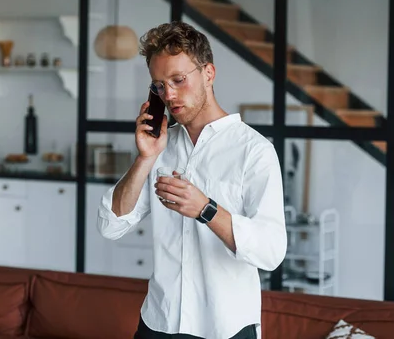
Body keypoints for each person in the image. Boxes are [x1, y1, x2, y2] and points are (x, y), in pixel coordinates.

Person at [97, 21, 287, 339]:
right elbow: (111, 225)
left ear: (208, 74)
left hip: (225, 328)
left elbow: (271, 251)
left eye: (178, 80)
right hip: (159, 321)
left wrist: (206, 209)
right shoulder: (160, 146)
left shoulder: (255, 151)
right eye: (159, 85)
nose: (168, 95)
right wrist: (145, 157)